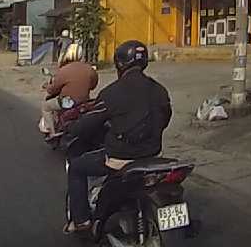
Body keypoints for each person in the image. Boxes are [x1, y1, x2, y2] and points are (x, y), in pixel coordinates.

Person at [63, 40, 171, 235]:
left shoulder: (112, 93)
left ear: (119, 64)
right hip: (153, 155)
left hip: (122, 158)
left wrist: (72, 128)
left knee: (77, 168)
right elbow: (165, 118)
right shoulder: (159, 89)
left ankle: (81, 220)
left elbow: (88, 123)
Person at [40, 43, 98, 138]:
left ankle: (52, 133)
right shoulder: (90, 69)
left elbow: (52, 90)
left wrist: (48, 87)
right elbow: (93, 86)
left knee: (46, 106)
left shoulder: (64, 70)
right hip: (84, 102)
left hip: (67, 102)